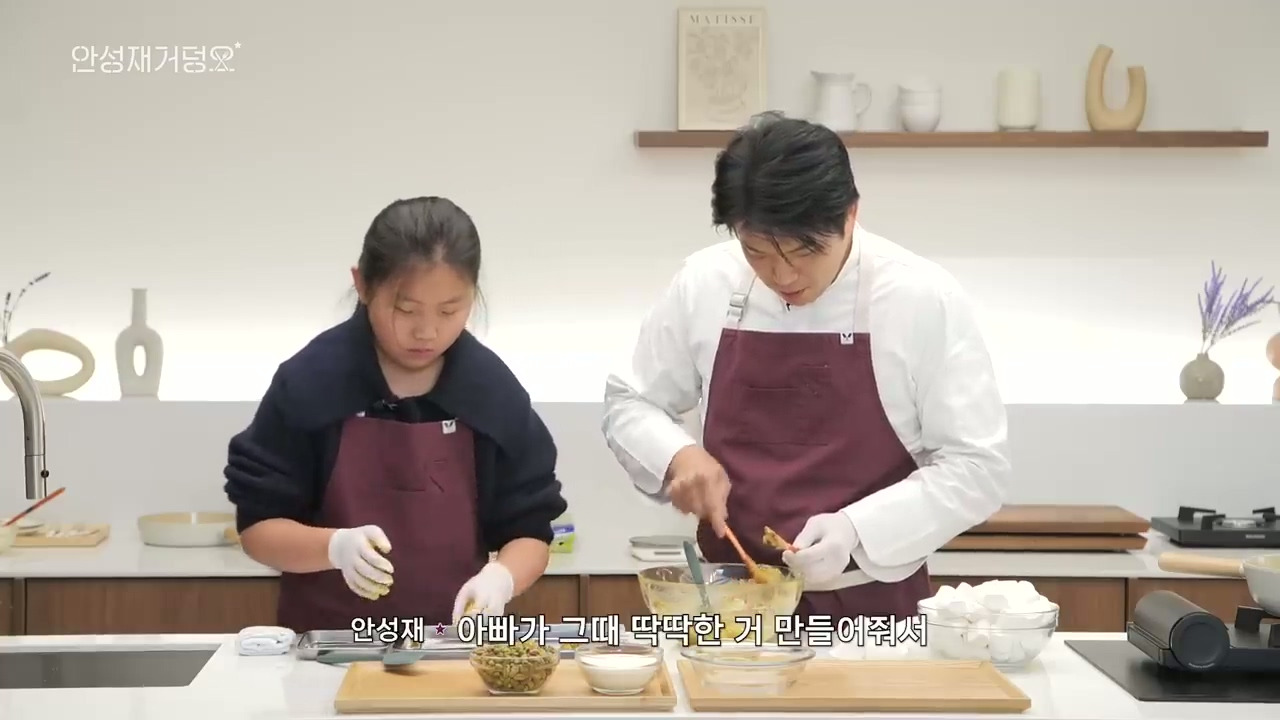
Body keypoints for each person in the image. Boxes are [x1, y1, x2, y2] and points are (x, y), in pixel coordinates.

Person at [601, 113, 1011, 621]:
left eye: (803, 252)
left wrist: (857, 529)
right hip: (731, 607)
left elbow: (977, 468)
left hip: (872, 609)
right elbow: (630, 402)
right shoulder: (706, 281)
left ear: (851, 215)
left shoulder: (920, 297)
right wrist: (677, 455)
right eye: (756, 252)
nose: (782, 275)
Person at [224, 196, 568, 633]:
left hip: (455, 648)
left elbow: (531, 531)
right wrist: (333, 547)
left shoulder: (491, 391)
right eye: (406, 310)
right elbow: (258, 528)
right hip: (328, 649)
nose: (427, 331)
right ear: (362, 284)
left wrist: (503, 578)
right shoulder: (312, 381)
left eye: (450, 310)